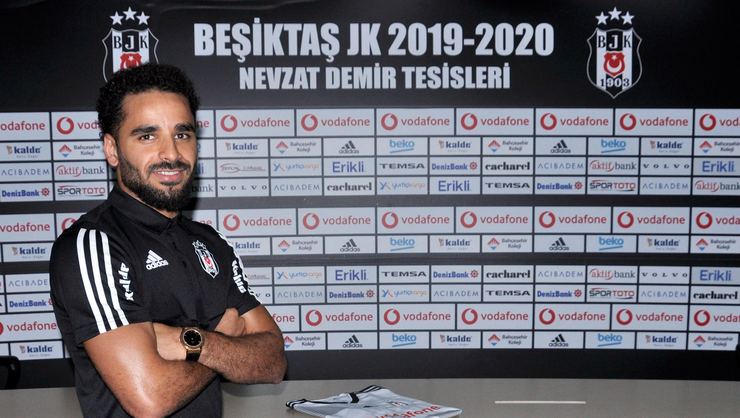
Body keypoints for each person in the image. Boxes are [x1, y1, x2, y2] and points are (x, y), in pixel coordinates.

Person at [50, 63, 287, 418]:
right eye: (147, 136)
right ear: (112, 149)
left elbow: (273, 361)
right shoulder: (92, 245)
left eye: (182, 134)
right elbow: (150, 398)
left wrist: (192, 341)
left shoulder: (210, 243)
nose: (172, 154)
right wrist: (222, 337)